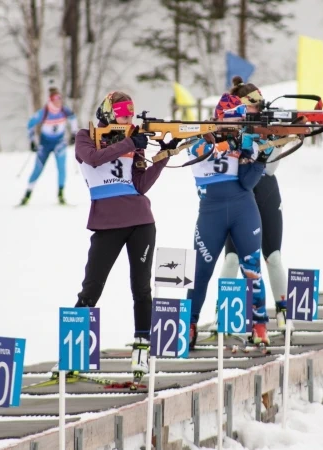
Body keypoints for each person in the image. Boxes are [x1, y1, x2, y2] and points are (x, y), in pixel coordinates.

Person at [71, 91, 179, 375]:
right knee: (91, 289)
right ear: (108, 113)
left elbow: (140, 185)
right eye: (122, 114)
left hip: (141, 221)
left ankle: (141, 351)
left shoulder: (134, 139)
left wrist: (164, 155)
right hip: (106, 224)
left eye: (130, 115)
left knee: (141, 289)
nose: (128, 119)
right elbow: (92, 159)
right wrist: (131, 142)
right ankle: (72, 356)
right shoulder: (85, 136)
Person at [185, 76, 275, 350]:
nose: (236, 125)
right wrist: (225, 145)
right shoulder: (203, 138)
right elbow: (195, 152)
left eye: (239, 120)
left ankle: (259, 324)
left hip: (243, 210)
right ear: (218, 119)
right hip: (210, 214)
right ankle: (189, 324)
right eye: (231, 120)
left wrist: (256, 156)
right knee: (200, 272)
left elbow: (247, 183)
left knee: (252, 269)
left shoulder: (244, 139)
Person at [219, 82, 288, 329]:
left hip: (265, 192)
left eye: (260, 105)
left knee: (274, 257)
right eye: (254, 106)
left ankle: (282, 314)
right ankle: (223, 315)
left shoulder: (265, 125)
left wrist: (277, 142)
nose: (259, 110)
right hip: (238, 196)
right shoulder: (227, 126)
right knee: (231, 260)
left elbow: (268, 169)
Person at [20, 86, 78, 206]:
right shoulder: (44, 112)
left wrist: (74, 134)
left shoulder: (64, 110)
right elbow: (30, 124)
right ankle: (27, 195)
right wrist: (32, 141)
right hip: (45, 145)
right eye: (56, 100)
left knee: (62, 168)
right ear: (51, 100)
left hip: (59, 144)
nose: (59, 102)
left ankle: (61, 194)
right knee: (37, 170)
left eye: (60, 100)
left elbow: (73, 118)